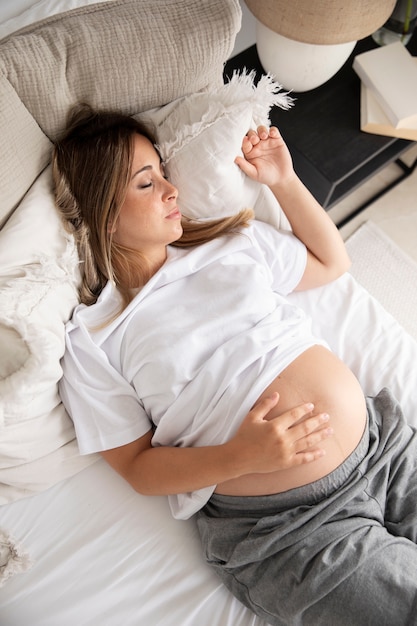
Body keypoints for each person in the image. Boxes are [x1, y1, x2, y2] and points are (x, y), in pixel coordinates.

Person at [53, 105, 417, 625]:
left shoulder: (230, 244)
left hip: (383, 448)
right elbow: (137, 467)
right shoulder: (94, 340)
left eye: (163, 172)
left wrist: (284, 181)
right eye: (144, 182)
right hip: (295, 530)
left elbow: (331, 262)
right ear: (103, 213)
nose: (170, 189)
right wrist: (242, 455)